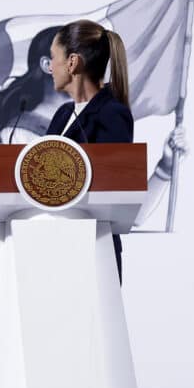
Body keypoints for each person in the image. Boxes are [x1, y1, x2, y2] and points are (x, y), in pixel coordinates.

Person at [43, 19, 131, 282]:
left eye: (52, 58)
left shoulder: (112, 114)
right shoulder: (62, 115)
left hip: (93, 250)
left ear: (72, 63)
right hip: (55, 246)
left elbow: (113, 186)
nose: (50, 67)